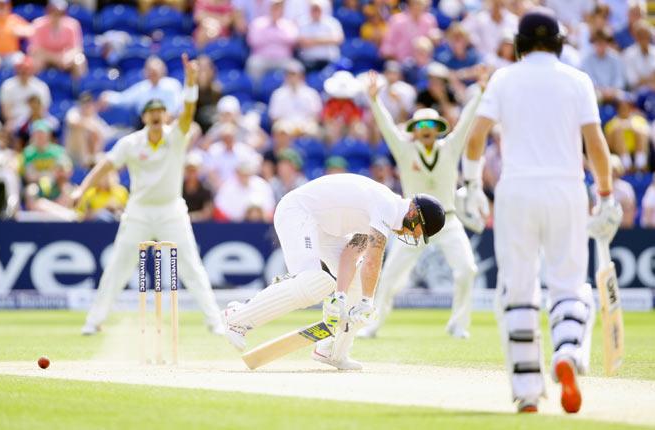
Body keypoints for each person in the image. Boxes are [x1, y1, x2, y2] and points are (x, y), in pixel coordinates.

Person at [461, 10, 622, 414]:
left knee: (518, 291)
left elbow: (476, 135)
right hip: (566, 188)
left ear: (518, 43)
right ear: (559, 42)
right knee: (569, 286)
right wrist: (605, 195)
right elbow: (596, 144)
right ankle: (567, 351)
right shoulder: (577, 79)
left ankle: (528, 390)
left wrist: (471, 184)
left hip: (515, 190)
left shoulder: (503, 78)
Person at [223, 173, 446, 369]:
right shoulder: (388, 206)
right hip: (298, 212)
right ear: (416, 214)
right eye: (419, 231)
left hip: (323, 227)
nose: (415, 236)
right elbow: (373, 258)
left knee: (356, 282)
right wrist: (367, 302)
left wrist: (340, 298)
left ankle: (332, 351)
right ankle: (237, 318)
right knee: (313, 282)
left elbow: (350, 256)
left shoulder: (382, 211)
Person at [71, 54, 224, 336]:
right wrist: (82, 189)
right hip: (139, 211)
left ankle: (215, 321)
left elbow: (188, 113)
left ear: (165, 115)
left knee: (191, 266)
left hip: (171, 211)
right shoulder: (131, 143)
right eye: (151, 111)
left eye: (160, 111)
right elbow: (105, 165)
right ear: (144, 117)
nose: (156, 115)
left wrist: (190, 83)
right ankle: (94, 321)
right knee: (119, 265)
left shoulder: (175, 137)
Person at [359, 69, 483, 339]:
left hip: (448, 220)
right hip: (411, 223)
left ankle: (458, 324)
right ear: (415, 131)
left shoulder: (450, 147)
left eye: (431, 127)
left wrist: (480, 93)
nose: (426, 131)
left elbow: (465, 123)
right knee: (390, 275)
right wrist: (375, 101)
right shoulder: (405, 150)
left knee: (467, 269)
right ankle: (373, 324)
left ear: (437, 130)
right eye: (421, 127)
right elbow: (388, 129)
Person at [100, 56, 183, 117]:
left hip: (169, 124)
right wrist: (108, 97)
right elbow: (124, 98)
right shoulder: (142, 87)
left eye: (155, 72)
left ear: (163, 71)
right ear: (145, 72)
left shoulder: (173, 85)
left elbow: (176, 107)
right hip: (144, 126)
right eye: (150, 71)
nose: (153, 74)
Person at [28, 0, 85, 77]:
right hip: (45, 57)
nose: (56, 15)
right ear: (48, 11)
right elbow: (35, 49)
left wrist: (67, 57)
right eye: (53, 11)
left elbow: (77, 48)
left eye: (60, 13)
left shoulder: (73, 25)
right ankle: (37, 87)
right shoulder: (38, 24)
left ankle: (79, 87)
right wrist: (56, 58)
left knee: (79, 60)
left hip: (65, 58)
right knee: (34, 61)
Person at [0, 0, 32, 74]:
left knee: (21, 63)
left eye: (3, 5)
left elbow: (31, 31)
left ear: (8, 6)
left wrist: (20, 31)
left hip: (12, 54)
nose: (1, 8)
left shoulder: (14, 19)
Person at [297, 0, 344, 72]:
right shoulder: (302, 22)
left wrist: (313, 41)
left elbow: (339, 39)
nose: (315, 12)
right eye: (313, 9)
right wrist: (326, 40)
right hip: (308, 62)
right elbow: (302, 42)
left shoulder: (332, 23)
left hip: (329, 61)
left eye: (317, 9)